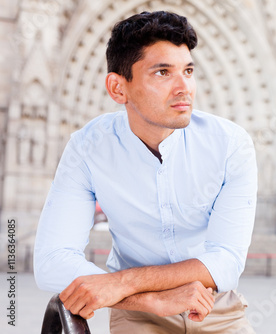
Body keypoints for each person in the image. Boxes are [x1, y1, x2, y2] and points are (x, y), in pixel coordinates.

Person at [34, 11, 258, 334]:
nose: (185, 88)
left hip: (216, 307)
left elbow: (226, 262)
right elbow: (50, 261)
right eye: (163, 72)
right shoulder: (88, 148)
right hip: (138, 317)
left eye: (189, 70)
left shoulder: (230, 145)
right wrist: (149, 301)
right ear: (118, 88)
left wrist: (121, 283)